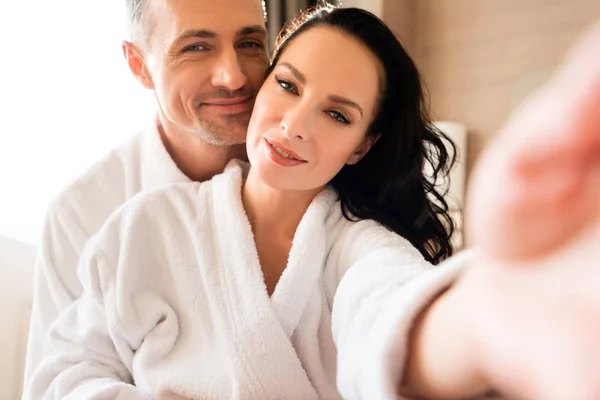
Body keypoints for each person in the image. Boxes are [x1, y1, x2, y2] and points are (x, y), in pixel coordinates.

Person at [26, 5, 600, 400]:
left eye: (337, 114)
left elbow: (389, 313)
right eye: (288, 85)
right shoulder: (140, 227)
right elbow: (65, 373)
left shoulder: (360, 248)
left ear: (361, 146)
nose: (294, 125)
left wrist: (486, 312)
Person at [23, 0, 270, 389]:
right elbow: (53, 386)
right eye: (196, 48)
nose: (233, 77)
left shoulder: (313, 170)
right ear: (139, 65)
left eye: (250, 43)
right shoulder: (81, 214)